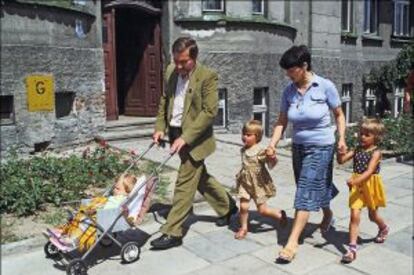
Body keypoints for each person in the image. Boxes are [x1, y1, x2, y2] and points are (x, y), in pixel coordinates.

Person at [151, 37, 237, 250]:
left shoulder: (207, 76)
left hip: (195, 138)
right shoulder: (171, 70)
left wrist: (186, 137)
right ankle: (227, 206)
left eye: (183, 62)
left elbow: (209, 112)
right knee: (200, 178)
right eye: (176, 61)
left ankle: (173, 231)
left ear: (194, 57)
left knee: (184, 182)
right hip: (175, 132)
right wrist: (159, 127)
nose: (178, 66)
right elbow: (165, 99)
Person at [266, 45, 347, 263]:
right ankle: (328, 213)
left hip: (322, 146)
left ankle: (292, 242)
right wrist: (272, 144)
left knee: (305, 190)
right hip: (299, 147)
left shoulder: (325, 86)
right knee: (315, 184)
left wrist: (341, 139)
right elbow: (282, 121)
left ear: (304, 66)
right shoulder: (288, 91)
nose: (288, 74)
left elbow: (339, 115)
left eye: (291, 70)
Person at [337, 118, 388, 263]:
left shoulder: (376, 153)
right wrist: (340, 151)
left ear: (376, 137)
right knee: (354, 215)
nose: (362, 137)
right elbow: (341, 161)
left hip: (370, 184)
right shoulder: (357, 149)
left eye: (367, 135)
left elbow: (370, 171)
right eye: (361, 133)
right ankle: (352, 249)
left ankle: (383, 228)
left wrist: (355, 181)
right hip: (357, 186)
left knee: (373, 216)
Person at [45, 173, 137, 251]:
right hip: (100, 215)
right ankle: (63, 232)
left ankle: (72, 241)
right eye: (115, 187)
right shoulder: (115, 197)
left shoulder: (122, 201)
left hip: (104, 220)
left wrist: (96, 210)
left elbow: (115, 212)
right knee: (78, 218)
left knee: (85, 222)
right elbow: (104, 204)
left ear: (127, 192)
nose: (114, 190)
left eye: (117, 189)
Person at [234, 120, 287, 240]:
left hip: (258, 183)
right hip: (244, 182)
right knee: (243, 206)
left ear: (256, 137)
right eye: (243, 134)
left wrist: (272, 157)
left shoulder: (260, 151)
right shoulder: (243, 149)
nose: (244, 137)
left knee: (262, 211)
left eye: (248, 135)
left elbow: (271, 164)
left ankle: (279, 215)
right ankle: (244, 228)